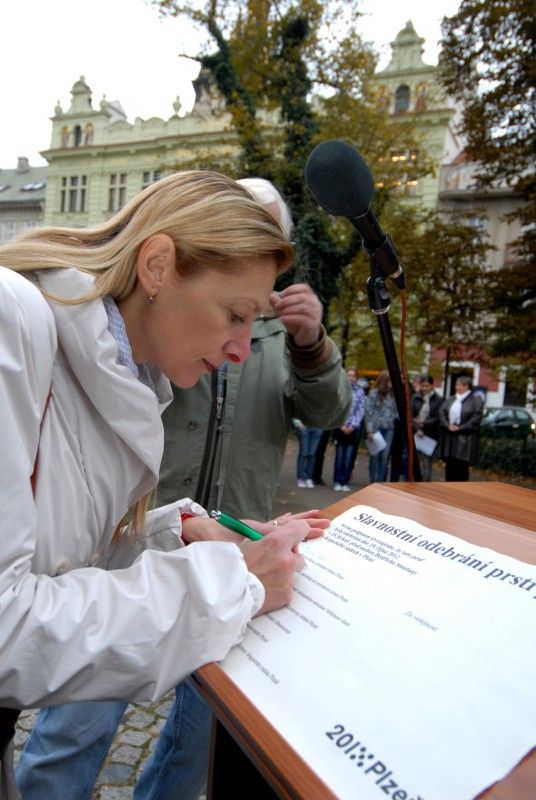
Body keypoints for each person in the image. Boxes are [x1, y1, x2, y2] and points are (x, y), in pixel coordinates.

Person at [14, 178, 351, 800]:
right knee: (73, 737)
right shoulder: (18, 321)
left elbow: (64, 562)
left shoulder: (132, 372)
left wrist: (184, 534)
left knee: (192, 748)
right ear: (159, 264)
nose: (242, 349)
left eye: (256, 319)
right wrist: (231, 580)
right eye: (236, 315)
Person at [439, 376, 484, 481]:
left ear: (466, 386)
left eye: (459, 385)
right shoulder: (451, 399)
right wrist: (447, 425)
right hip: (450, 439)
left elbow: (476, 419)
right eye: (456, 384)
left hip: (466, 440)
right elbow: (441, 412)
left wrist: (460, 428)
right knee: (450, 469)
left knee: (462, 470)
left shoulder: (476, 401)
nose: (456, 387)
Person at [333, 366, 365, 491]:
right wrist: (341, 425)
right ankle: (337, 480)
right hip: (340, 427)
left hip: (352, 429)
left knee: (348, 457)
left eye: (353, 375)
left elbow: (360, 410)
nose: (351, 377)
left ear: (356, 378)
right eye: (349, 375)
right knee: (340, 456)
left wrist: (352, 426)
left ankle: (344, 481)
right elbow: (336, 408)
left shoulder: (360, 392)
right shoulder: (339, 390)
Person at [364, 370, 398, 482]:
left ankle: (381, 481)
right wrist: (369, 430)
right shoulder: (373, 393)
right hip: (376, 429)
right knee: (375, 455)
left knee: (385, 456)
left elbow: (396, 413)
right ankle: (373, 480)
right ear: (384, 380)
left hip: (389, 428)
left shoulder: (394, 394)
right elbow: (368, 413)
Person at [411, 374, 443, 481]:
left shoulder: (438, 399)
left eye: (427, 386)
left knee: (426, 461)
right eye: (423, 386)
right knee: (413, 460)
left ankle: (425, 483)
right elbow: (410, 415)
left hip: (430, 434)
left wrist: (424, 422)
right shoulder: (415, 397)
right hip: (416, 432)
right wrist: (418, 428)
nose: (425, 388)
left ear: (432, 386)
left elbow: (438, 418)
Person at [294, 421, 324, 488]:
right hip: (304, 426)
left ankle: (309, 478)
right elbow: (295, 411)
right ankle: (301, 478)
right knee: (304, 453)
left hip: (318, 427)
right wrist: (298, 423)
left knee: (312, 454)